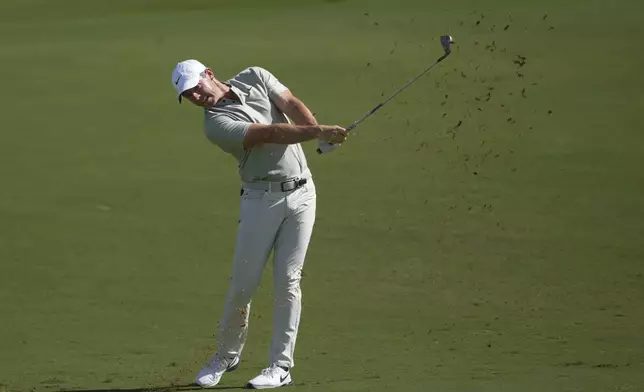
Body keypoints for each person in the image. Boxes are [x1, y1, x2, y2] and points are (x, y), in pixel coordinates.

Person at [170, 59, 347, 389]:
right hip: (259, 200)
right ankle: (227, 354)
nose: (195, 96)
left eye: (196, 87)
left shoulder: (255, 76)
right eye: (188, 95)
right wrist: (318, 132)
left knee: (288, 282)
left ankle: (280, 366)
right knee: (243, 285)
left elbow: (290, 104)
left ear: (209, 74)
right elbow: (270, 134)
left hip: (302, 194)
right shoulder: (215, 124)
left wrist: (320, 137)